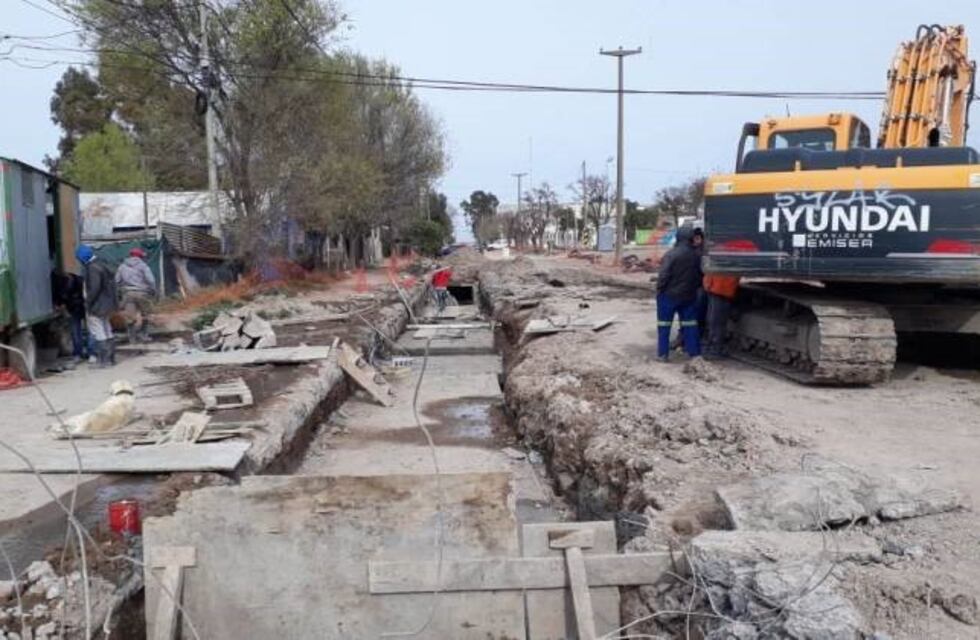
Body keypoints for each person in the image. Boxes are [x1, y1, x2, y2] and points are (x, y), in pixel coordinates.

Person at [655, 226, 703, 361]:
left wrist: (659, 289)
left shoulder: (671, 254)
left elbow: (664, 275)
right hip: (689, 296)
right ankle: (694, 354)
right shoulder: (697, 255)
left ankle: (663, 354)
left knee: (664, 325)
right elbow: (700, 276)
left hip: (668, 295)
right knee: (690, 324)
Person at [75, 244, 117, 367]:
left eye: (79, 258)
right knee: (107, 329)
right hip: (107, 305)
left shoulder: (92, 268)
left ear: (83, 258)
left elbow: (94, 288)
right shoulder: (102, 264)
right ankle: (111, 359)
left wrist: (88, 303)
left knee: (98, 331)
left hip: (97, 306)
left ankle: (103, 361)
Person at [115, 247, 157, 343]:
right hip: (143, 294)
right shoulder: (143, 266)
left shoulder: (122, 266)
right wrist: (154, 290)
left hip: (128, 294)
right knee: (146, 315)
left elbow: (116, 281)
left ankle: (132, 338)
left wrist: (119, 292)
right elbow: (151, 280)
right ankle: (143, 335)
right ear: (140, 256)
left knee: (130, 317)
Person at [51, 269, 89, 362]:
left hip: (76, 307)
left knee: (76, 331)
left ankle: (79, 353)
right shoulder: (78, 279)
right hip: (82, 307)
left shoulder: (60, 284)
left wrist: (60, 304)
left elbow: (61, 297)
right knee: (87, 331)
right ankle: (89, 352)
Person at [703, 273, 740, 359]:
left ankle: (716, 349)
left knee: (716, 322)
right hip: (715, 288)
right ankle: (713, 346)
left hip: (720, 290)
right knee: (713, 320)